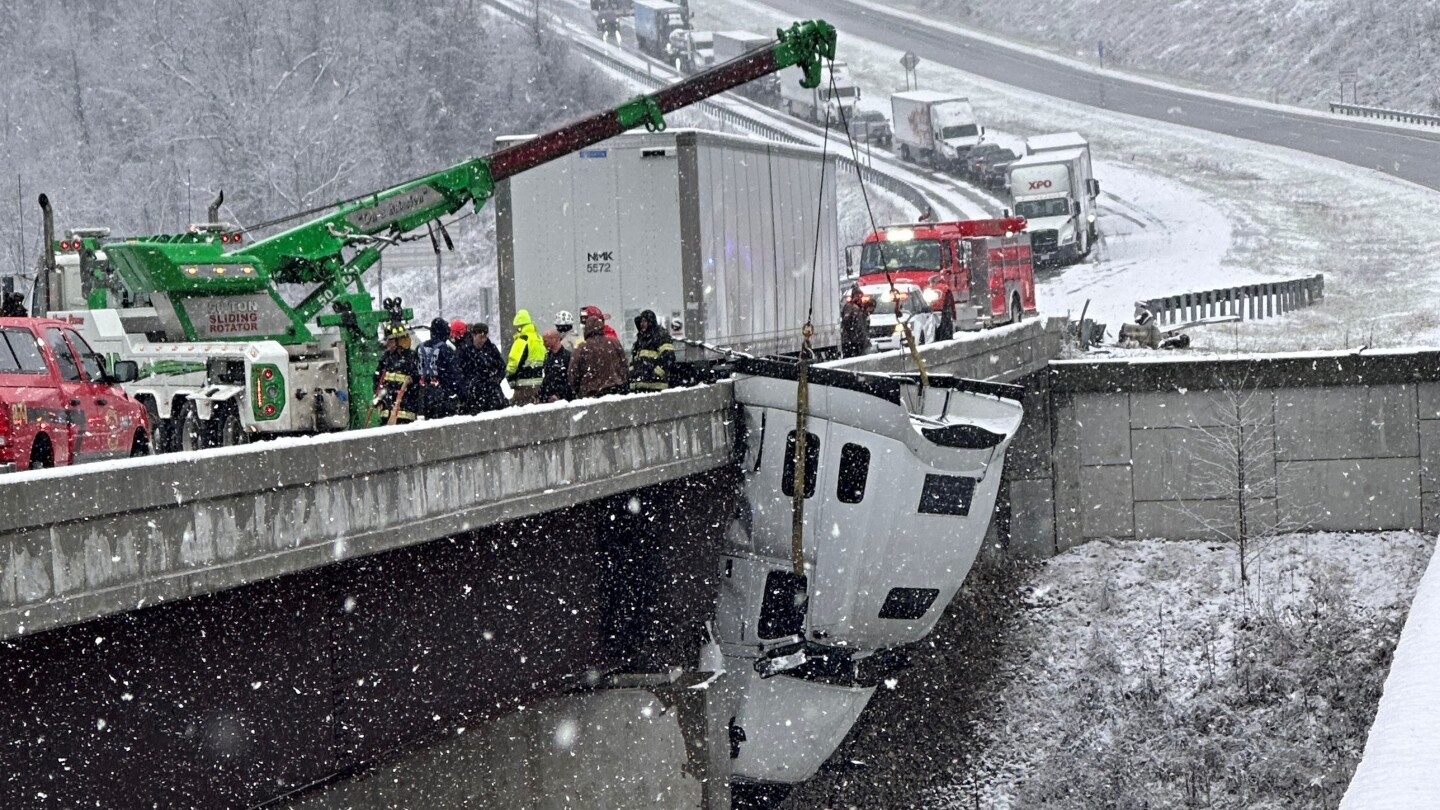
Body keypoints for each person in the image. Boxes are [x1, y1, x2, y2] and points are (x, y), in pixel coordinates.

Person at [568, 306, 628, 398]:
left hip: (590, 394)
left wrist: (580, 390)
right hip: (615, 391)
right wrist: (621, 383)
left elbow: (573, 375)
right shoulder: (614, 342)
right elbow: (624, 366)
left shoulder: (581, 348)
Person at [414, 316, 461, 418]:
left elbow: (413, 370)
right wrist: (461, 394)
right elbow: (454, 374)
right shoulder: (445, 349)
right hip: (441, 396)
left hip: (423, 395)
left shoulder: (419, 348)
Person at [456, 322, 507, 413]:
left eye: (485, 337)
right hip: (474, 395)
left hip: (492, 392)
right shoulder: (464, 351)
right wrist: (470, 384)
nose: (483, 340)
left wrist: (496, 379)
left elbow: (502, 366)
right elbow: (459, 372)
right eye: (480, 337)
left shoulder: (491, 348)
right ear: (473, 335)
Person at [372, 324, 418, 425]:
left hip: (405, 413)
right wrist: (379, 397)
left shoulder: (412, 357)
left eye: (391, 340)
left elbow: (417, 382)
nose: (388, 344)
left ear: (399, 341)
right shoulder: (387, 357)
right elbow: (377, 378)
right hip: (387, 413)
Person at [628, 308, 676, 392]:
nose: (642, 324)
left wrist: (656, 374)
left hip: (656, 387)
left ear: (650, 322)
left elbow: (669, 358)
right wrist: (632, 373)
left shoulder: (661, 337)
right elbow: (633, 360)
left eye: (645, 321)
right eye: (641, 321)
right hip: (639, 386)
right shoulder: (639, 340)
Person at [506, 308, 546, 406]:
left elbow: (514, 361)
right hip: (538, 383)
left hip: (523, 385)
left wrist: (509, 376)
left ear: (520, 327)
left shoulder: (523, 340)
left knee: (517, 411)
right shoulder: (539, 339)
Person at [538, 330, 574, 402]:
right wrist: (540, 394)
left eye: (545, 341)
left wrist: (559, 395)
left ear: (554, 340)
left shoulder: (567, 356)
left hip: (564, 399)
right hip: (548, 397)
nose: (543, 344)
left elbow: (570, 379)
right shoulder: (548, 356)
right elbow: (547, 378)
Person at [840, 286, 870, 358]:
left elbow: (864, 324)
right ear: (853, 296)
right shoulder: (849, 307)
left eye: (860, 296)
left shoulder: (861, 309)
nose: (859, 298)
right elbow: (846, 322)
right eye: (857, 296)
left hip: (860, 341)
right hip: (851, 341)